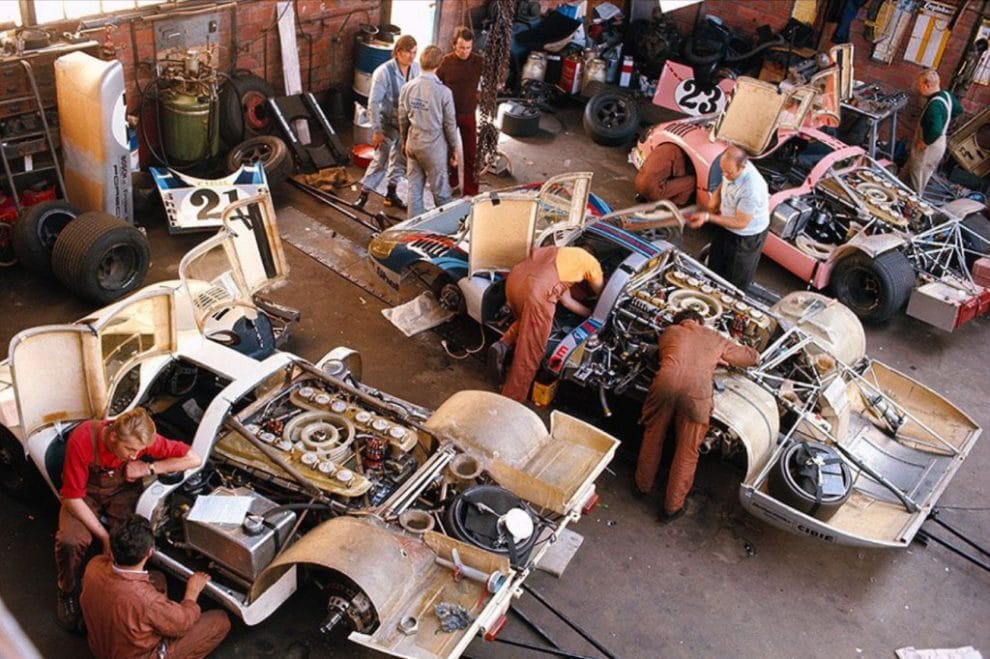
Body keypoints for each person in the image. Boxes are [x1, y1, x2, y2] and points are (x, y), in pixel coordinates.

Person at [55, 408, 202, 632]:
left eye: (140, 451)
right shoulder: (83, 439)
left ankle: (109, 602)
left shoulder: (139, 437)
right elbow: (71, 497)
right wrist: (103, 536)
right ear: (113, 436)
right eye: (130, 450)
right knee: (70, 541)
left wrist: (149, 467)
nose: (134, 455)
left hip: (122, 493)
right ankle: (67, 591)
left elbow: (194, 458)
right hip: (85, 495)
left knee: (127, 544)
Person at [636, 309, 759, 522]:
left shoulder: (670, 331)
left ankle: (641, 487)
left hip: (665, 384)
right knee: (687, 451)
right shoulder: (715, 337)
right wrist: (730, 351)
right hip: (696, 394)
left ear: (681, 321)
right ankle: (671, 508)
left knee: (653, 436)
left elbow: (672, 354)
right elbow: (750, 359)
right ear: (701, 321)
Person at [81, 515, 230, 658]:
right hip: (141, 655)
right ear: (149, 553)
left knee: (157, 578)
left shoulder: (94, 565)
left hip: (100, 648)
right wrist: (192, 592)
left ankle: (154, 624)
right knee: (220, 621)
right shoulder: (147, 601)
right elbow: (183, 623)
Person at [489, 245, 604, 402]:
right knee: (530, 352)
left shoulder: (557, 251)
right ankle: (510, 401)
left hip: (515, 281)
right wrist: (597, 317)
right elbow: (603, 297)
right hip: (537, 291)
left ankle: (503, 344)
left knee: (526, 321)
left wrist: (588, 315)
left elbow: (567, 301)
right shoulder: (592, 264)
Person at [688, 145, 770, 292]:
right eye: (722, 170)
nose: (724, 174)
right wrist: (716, 197)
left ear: (743, 167)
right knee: (715, 265)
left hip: (745, 237)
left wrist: (707, 217)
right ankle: (709, 291)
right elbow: (724, 180)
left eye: (729, 172)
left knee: (733, 281)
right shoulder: (729, 168)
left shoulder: (752, 189)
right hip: (727, 223)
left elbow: (741, 223)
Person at [355, 35, 420, 211]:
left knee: (399, 159)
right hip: (386, 122)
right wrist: (377, 130)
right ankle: (363, 195)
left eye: (414, 53)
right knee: (381, 160)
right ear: (398, 52)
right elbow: (373, 103)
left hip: (405, 124)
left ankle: (391, 193)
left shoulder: (416, 69)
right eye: (408, 52)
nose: (411, 57)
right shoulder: (383, 72)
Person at [399, 45, 460, 219]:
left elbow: (402, 118)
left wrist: (404, 141)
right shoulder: (444, 92)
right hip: (433, 146)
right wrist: (454, 149)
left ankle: (412, 232)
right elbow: (449, 124)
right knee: (441, 192)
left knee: (414, 191)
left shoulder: (407, 87)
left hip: (413, 142)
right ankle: (450, 226)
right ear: (439, 65)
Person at [899, 68, 962, 196]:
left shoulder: (935, 105)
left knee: (917, 180)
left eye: (920, 85)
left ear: (927, 85)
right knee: (906, 174)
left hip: (929, 146)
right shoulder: (947, 96)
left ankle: (913, 211)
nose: (918, 88)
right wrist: (945, 118)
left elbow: (935, 130)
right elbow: (958, 109)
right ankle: (896, 194)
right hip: (939, 143)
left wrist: (925, 141)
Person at [438, 26, 484, 196]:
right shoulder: (445, 62)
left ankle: (471, 191)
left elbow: (494, 79)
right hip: (449, 115)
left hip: (469, 113)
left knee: (471, 153)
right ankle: (451, 183)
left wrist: (481, 93)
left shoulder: (478, 62)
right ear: (453, 45)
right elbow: (436, 85)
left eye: (468, 48)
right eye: (461, 47)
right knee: (447, 152)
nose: (465, 51)